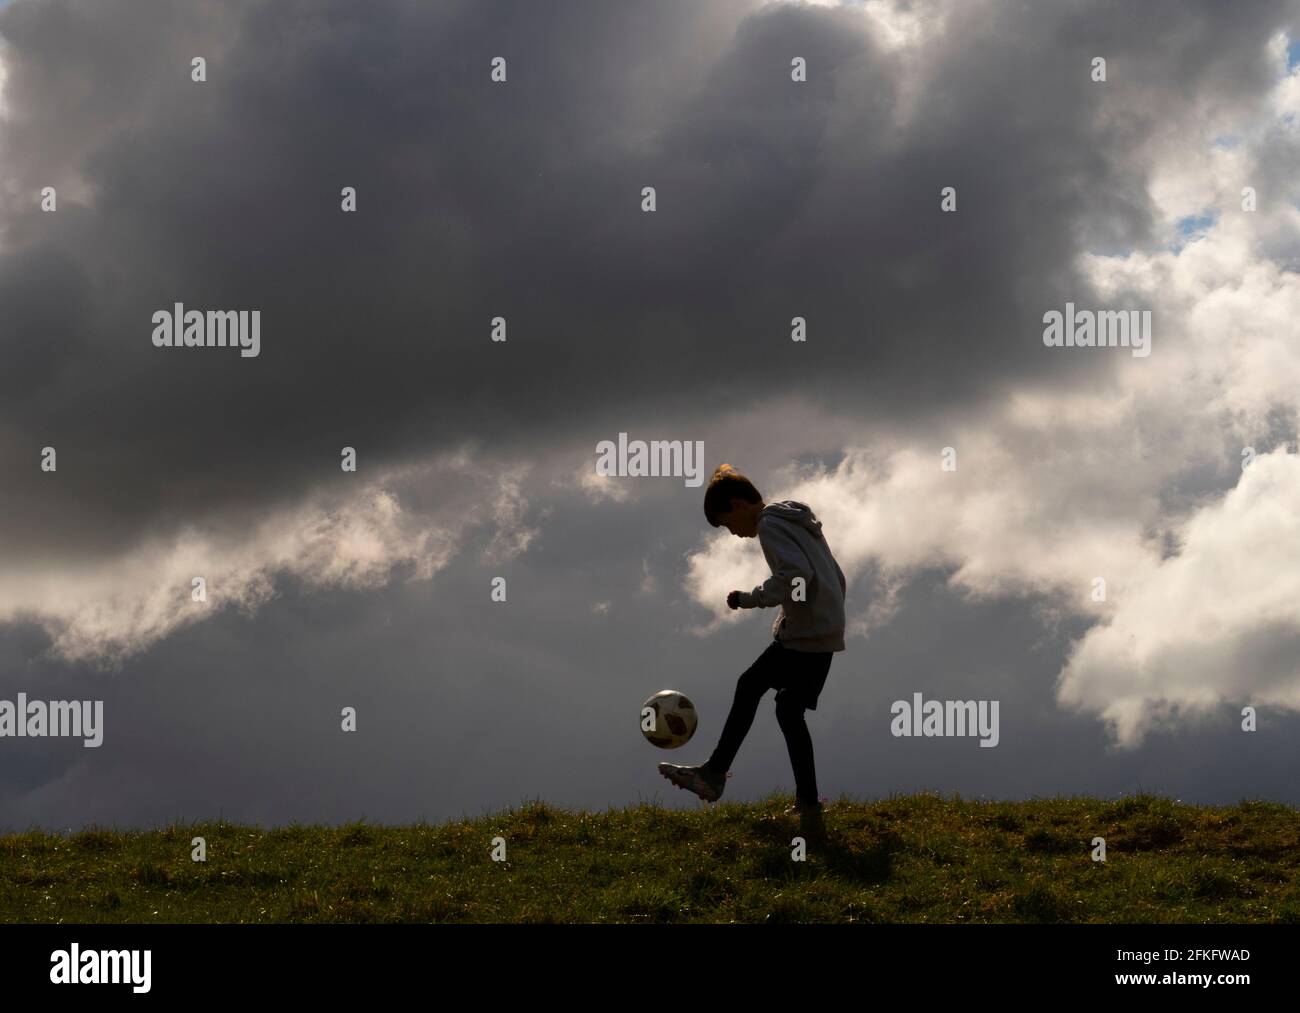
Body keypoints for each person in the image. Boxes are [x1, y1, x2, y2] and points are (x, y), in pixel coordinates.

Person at [659, 463, 847, 835]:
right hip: (825, 632)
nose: (734, 534)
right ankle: (808, 805)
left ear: (738, 505)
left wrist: (750, 599)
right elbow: (823, 574)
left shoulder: (768, 525)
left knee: (749, 685)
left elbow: (796, 578)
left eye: (728, 524)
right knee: (789, 711)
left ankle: (713, 774)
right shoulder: (795, 519)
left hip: (806, 637)